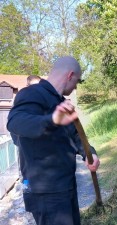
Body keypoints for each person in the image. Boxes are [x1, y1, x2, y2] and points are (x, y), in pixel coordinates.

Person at [7, 56, 100, 225]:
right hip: (46, 193)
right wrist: (52, 120)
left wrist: (90, 154)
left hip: (66, 186)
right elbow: (15, 122)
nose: (75, 87)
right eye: (77, 82)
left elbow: (75, 135)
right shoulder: (32, 93)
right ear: (70, 75)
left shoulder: (61, 102)